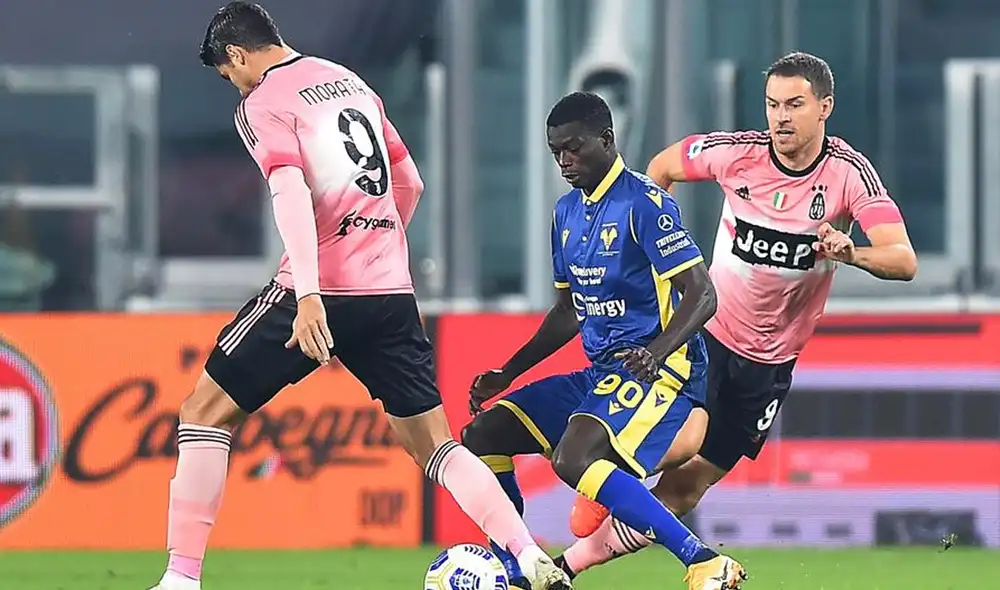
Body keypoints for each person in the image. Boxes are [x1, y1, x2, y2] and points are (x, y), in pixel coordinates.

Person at [148, 3, 572, 590]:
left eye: (229, 74)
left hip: (315, 289)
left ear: (238, 56)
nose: (234, 85)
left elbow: (289, 190)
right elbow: (410, 181)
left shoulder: (264, 101)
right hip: (389, 292)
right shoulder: (350, 83)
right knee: (436, 448)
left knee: (203, 413)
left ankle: (181, 579)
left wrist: (311, 296)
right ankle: (527, 554)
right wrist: (378, 244)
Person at [559, 52, 918, 576]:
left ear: (825, 108)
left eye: (795, 104)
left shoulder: (847, 175)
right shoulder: (736, 154)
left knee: (689, 485)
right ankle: (604, 474)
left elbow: (903, 260)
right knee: (677, 444)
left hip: (769, 365)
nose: (781, 117)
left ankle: (564, 569)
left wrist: (851, 253)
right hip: (702, 337)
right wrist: (654, 254)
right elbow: (660, 166)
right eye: (773, 104)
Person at [462, 91, 748, 590]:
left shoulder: (645, 202)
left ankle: (704, 560)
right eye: (556, 152)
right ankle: (522, 568)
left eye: (573, 147)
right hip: (602, 375)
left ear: (607, 140)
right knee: (483, 435)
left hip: (666, 372)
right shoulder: (566, 214)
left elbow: (702, 296)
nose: (565, 161)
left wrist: (655, 353)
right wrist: (509, 372)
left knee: (574, 458)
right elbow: (569, 311)